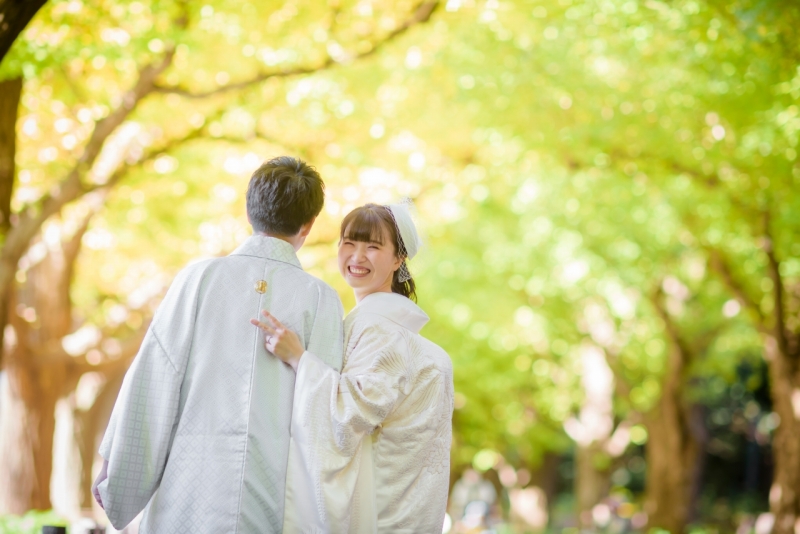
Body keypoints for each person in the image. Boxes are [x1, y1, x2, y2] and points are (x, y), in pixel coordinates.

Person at [92, 156, 344, 532]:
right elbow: (326, 407)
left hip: (190, 487)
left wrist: (119, 473)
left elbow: (155, 378)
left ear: (249, 210)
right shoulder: (322, 299)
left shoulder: (199, 278)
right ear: (308, 225)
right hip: (277, 495)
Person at [252, 201, 454, 533]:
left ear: (398, 259)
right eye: (349, 243)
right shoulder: (387, 324)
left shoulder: (378, 327)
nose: (357, 256)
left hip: (376, 513)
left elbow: (352, 413)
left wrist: (299, 359)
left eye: (373, 246)